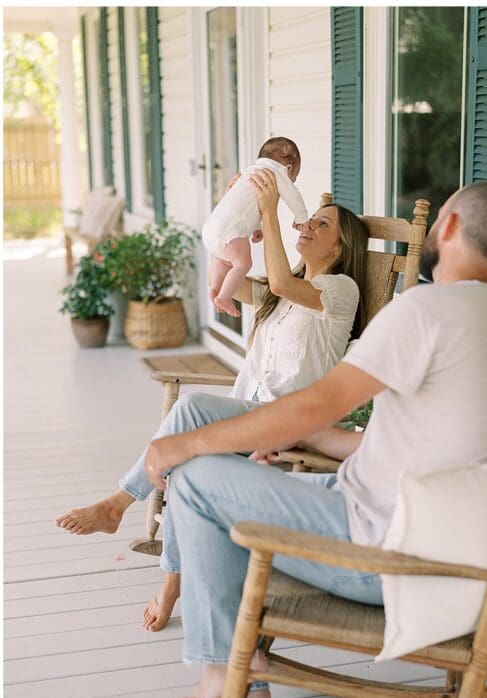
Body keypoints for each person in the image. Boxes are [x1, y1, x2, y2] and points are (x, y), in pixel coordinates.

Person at [143, 181, 487, 698]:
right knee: (216, 464)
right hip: (426, 547)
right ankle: (234, 665)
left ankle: (226, 675)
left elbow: (313, 400)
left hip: (376, 552)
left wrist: (185, 444)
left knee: (193, 479)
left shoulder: (427, 309)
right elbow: (382, 441)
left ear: (450, 227)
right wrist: (307, 435)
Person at [58, 167, 370, 633]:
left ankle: (117, 505)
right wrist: (233, 222)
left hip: (287, 419)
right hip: (253, 412)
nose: (306, 225)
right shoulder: (279, 291)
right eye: (309, 220)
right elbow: (221, 281)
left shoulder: (339, 291)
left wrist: (270, 206)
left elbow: (285, 283)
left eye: (320, 225)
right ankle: (169, 585)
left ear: (340, 248)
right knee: (189, 464)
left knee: (192, 411)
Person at [206, 137, 308, 316]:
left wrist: (257, 227)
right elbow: (293, 196)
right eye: (294, 178)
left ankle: (215, 288)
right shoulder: (277, 173)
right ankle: (224, 297)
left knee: (223, 260)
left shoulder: (248, 173)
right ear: (289, 168)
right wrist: (301, 217)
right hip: (231, 231)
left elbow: (249, 208)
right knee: (242, 264)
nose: (291, 182)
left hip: (211, 226)